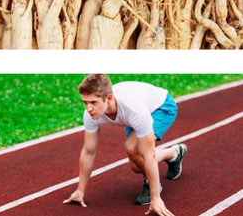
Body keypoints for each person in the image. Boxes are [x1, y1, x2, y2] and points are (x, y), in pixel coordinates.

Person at [63, 74, 187, 216]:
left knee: (133, 149)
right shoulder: (90, 114)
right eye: (85, 102)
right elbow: (88, 151)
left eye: (93, 102)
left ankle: (153, 185)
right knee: (135, 166)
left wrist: (156, 198)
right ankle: (174, 153)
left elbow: (149, 155)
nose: (89, 108)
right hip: (136, 111)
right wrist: (80, 190)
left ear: (109, 98)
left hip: (161, 107)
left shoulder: (134, 110)